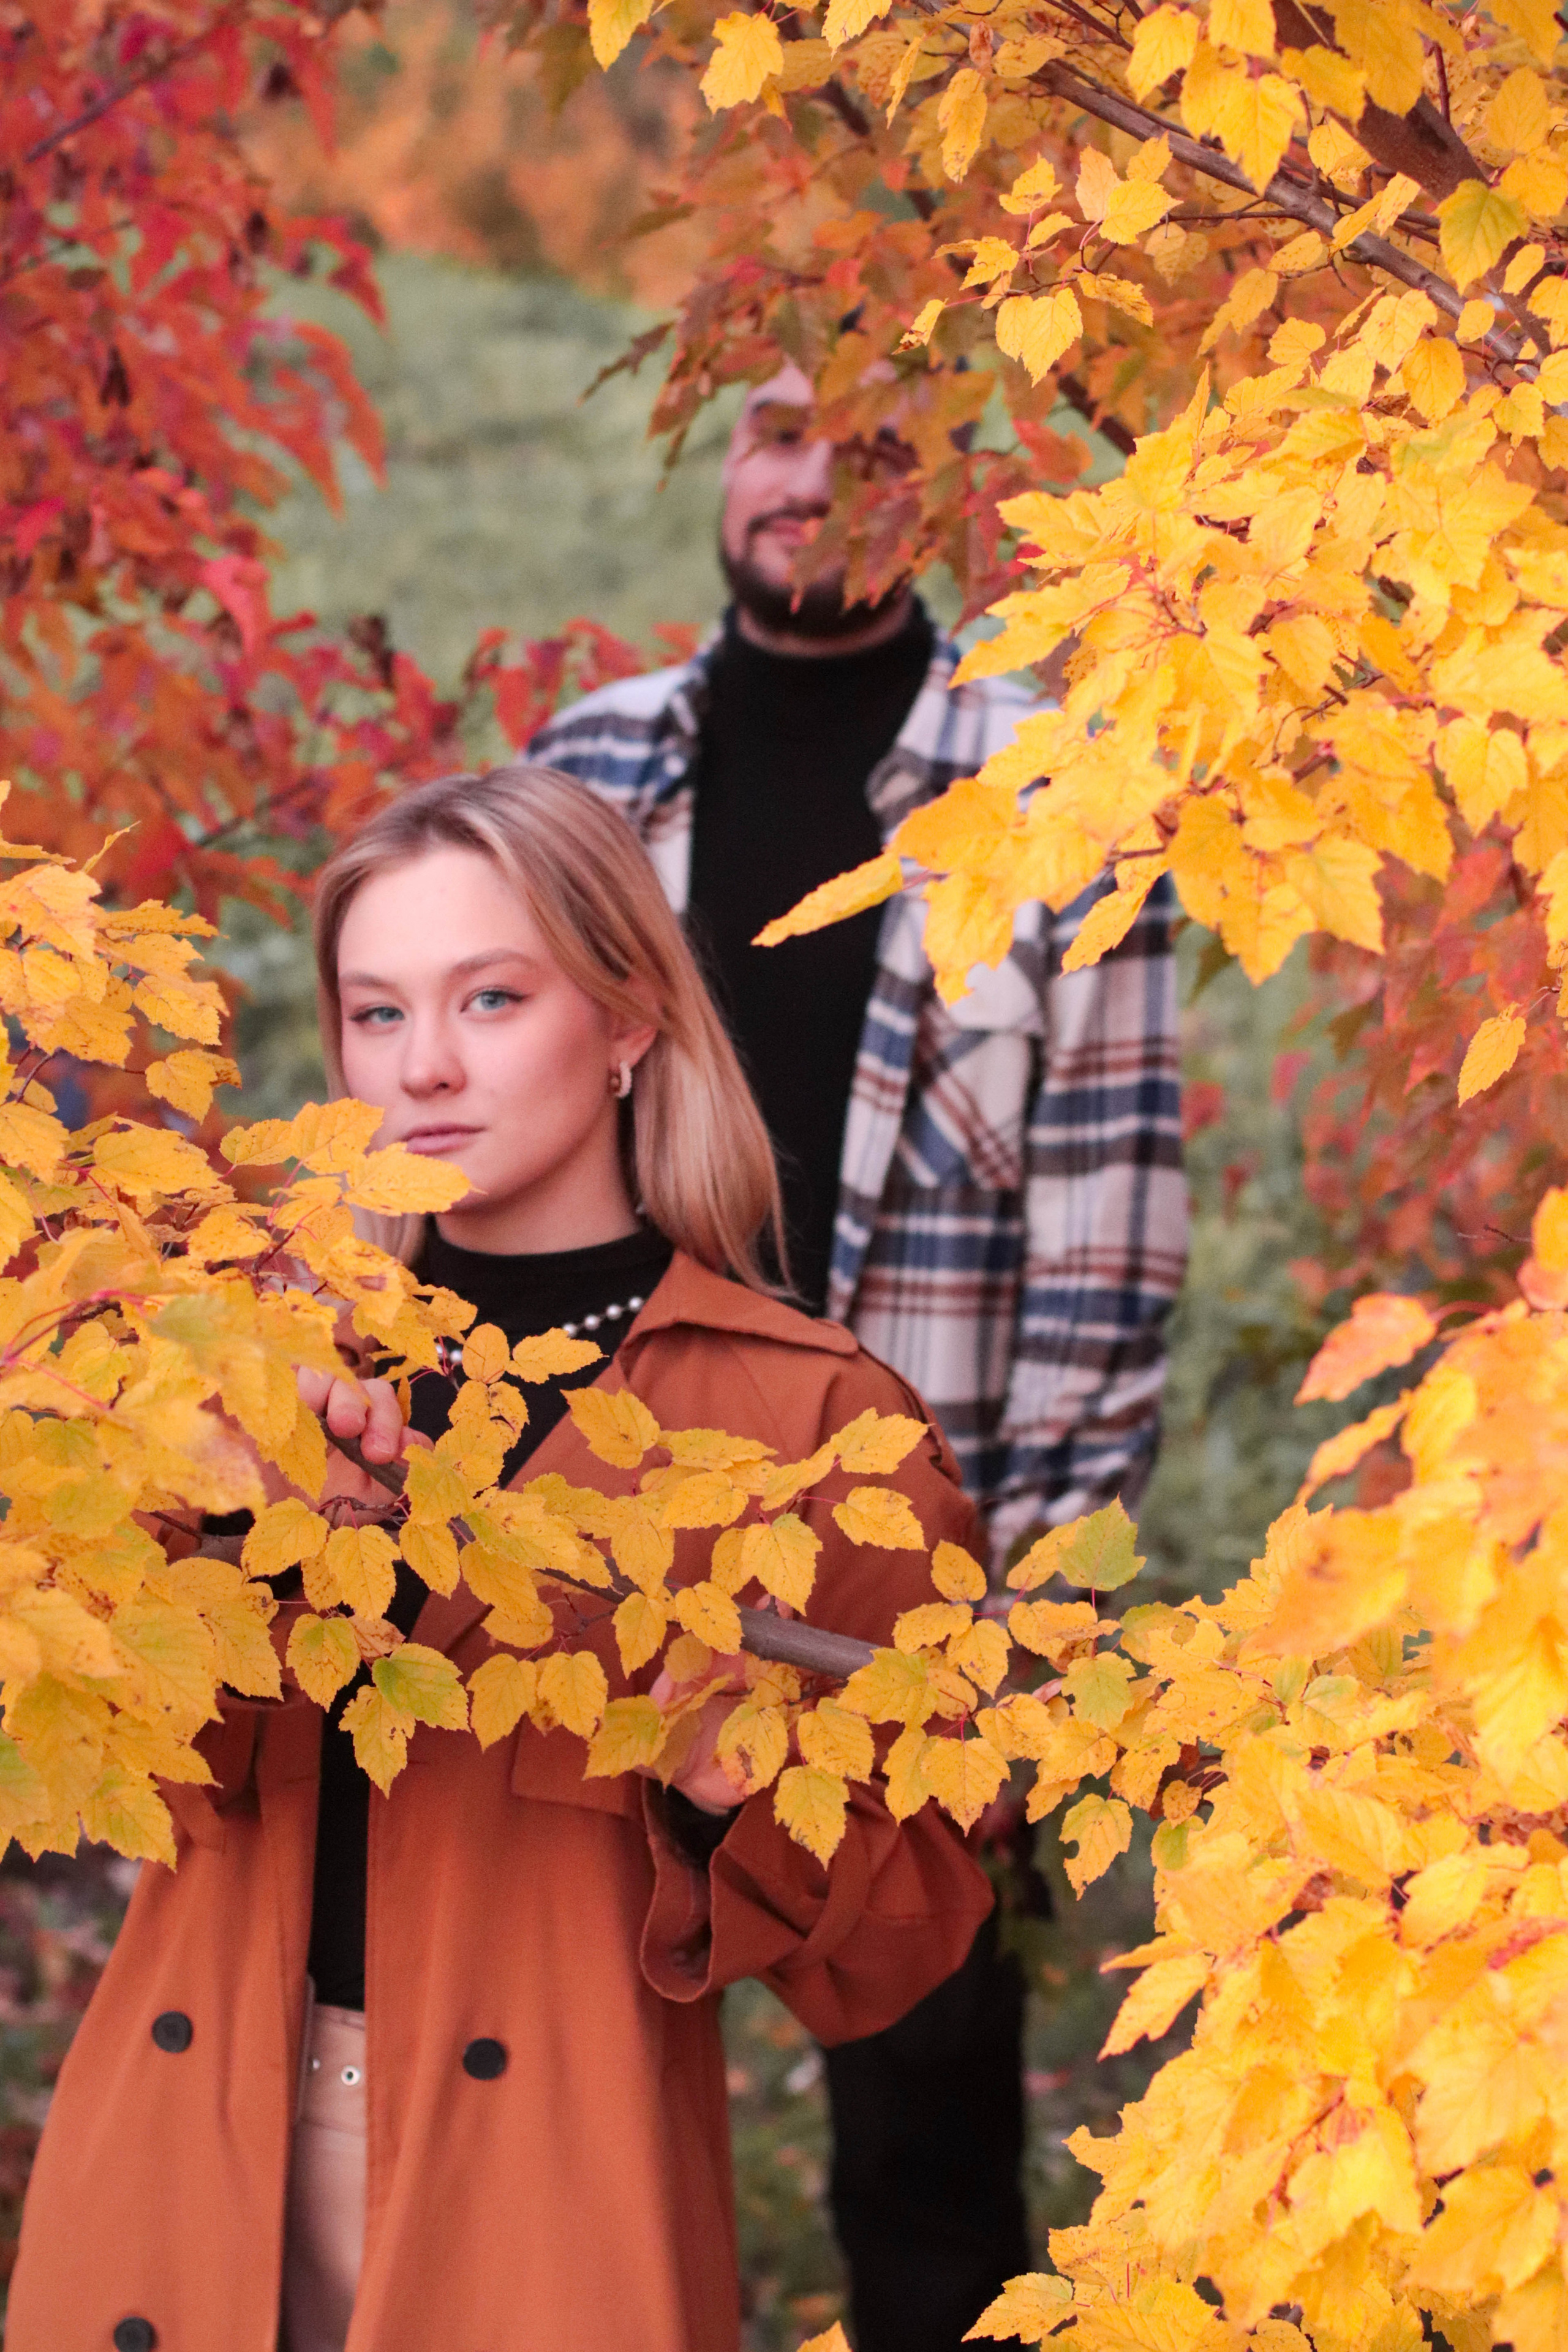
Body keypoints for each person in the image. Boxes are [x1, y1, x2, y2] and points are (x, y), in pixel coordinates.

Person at [6, 766, 995, 2352]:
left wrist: (730, 1785)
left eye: (490, 996)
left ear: (625, 1021)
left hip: (545, 2212)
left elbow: (913, 1937)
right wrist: (191, 1528)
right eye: (379, 1013)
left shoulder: (809, 1424)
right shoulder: (250, 1366)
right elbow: (107, 1754)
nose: (431, 1066)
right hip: (178, 2174)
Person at [528, 363, 1189, 2352]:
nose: (814, 480)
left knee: (923, 2102)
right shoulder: (591, 769)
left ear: (949, 483)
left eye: (878, 442)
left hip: (918, 1554)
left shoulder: (1056, 782)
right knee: (558, 2044)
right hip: (602, 1520)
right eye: (775, 431)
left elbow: (1112, 1237)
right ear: (722, 467)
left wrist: (1022, 1614)